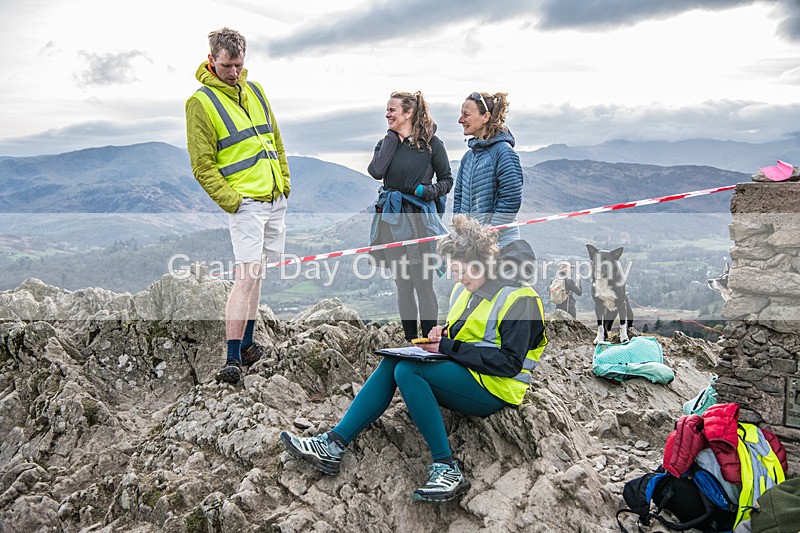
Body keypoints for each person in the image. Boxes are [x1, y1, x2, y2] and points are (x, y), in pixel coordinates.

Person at [279, 215, 548, 502]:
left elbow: (509, 364)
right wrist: (444, 334)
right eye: (453, 271)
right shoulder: (468, 289)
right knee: (393, 361)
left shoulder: (520, 300)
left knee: (409, 371)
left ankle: (447, 469)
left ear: (481, 262)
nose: (457, 278)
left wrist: (448, 347)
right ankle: (333, 444)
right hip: (469, 372)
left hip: (497, 388)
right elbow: (470, 333)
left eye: (460, 270)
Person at [185, 28, 291, 384]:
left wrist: (284, 183)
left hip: (274, 198)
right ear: (211, 60)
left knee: (257, 275)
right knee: (245, 278)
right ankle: (231, 358)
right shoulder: (200, 102)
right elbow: (202, 165)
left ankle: (247, 345)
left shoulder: (255, 90)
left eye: (239, 65)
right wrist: (234, 202)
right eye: (227, 65)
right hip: (246, 204)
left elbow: (276, 140)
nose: (233, 72)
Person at [367, 91, 453, 341]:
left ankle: (428, 342)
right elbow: (376, 171)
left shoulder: (432, 144)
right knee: (403, 285)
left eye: (392, 110)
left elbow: (447, 180)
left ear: (408, 112)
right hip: (392, 220)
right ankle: (410, 342)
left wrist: (426, 192)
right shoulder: (386, 144)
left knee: (423, 284)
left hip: (418, 222)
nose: (387, 114)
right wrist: (391, 138)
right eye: (387, 109)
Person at [454, 92, 524, 251]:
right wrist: (460, 228)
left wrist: (488, 233)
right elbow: (458, 196)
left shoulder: (504, 152)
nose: (460, 120)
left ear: (485, 117)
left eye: (466, 115)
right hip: (473, 243)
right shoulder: (468, 157)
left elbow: (511, 199)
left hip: (498, 244)